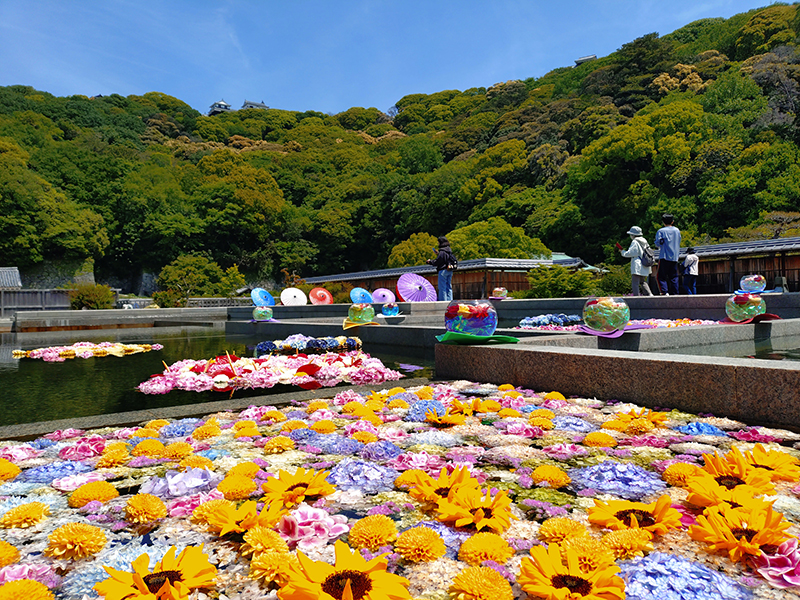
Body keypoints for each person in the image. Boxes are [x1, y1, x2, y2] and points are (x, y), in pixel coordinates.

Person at [619, 226, 653, 296]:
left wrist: (622, 252)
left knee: (635, 282)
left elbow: (631, 253)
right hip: (645, 262)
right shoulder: (645, 241)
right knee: (642, 281)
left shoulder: (635, 241)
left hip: (637, 263)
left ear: (633, 235)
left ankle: (636, 297)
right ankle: (650, 294)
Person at [654, 213, 681, 295]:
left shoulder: (661, 231)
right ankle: (675, 293)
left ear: (663, 222)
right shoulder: (677, 230)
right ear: (672, 221)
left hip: (664, 256)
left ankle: (664, 291)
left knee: (661, 276)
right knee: (674, 276)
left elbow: (657, 244)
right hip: (675, 256)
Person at [427, 236, 456, 301]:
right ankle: (449, 301)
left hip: (443, 271)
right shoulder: (449, 250)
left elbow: (438, 261)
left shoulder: (442, 251)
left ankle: (443, 302)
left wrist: (430, 262)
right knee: (448, 286)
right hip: (449, 270)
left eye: (438, 242)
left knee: (442, 287)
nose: (438, 243)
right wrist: (438, 254)